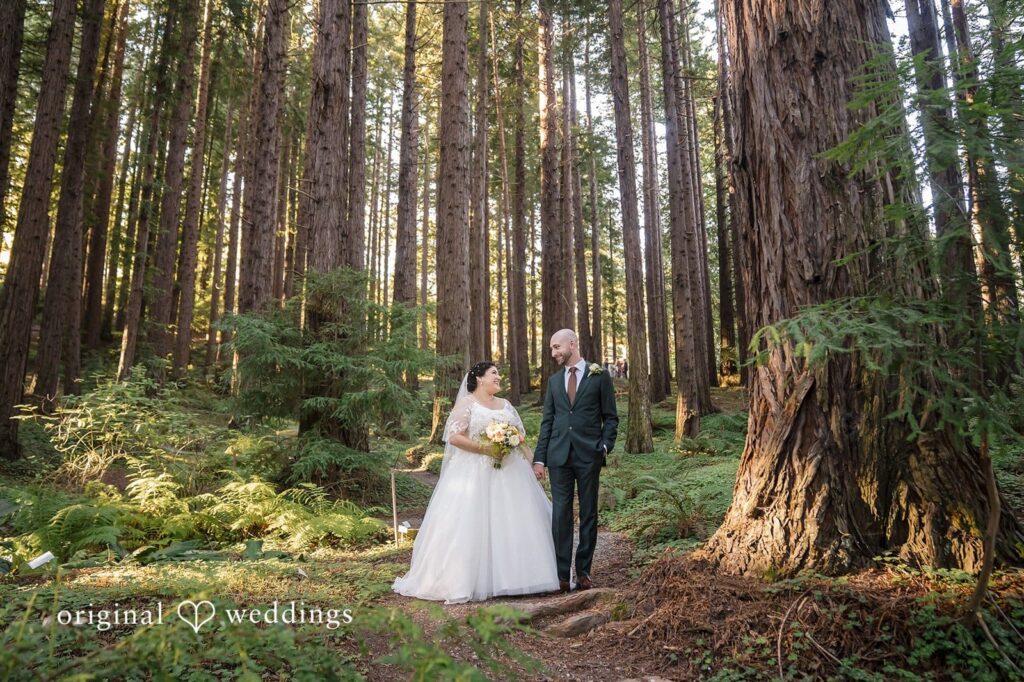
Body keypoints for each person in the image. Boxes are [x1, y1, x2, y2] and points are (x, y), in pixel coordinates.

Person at [393, 362, 560, 603]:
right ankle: (471, 579)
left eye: (499, 374)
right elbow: (454, 437)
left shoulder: (506, 406)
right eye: (494, 373)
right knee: (473, 523)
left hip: (511, 472)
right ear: (479, 378)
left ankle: (519, 578)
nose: (498, 377)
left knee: (515, 522)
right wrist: (485, 448)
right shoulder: (467, 404)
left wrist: (534, 462)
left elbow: (520, 439)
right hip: (474, 472)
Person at [532, 329, 619, 592]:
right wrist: (539, 459)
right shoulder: (554, 382)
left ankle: (583, 572)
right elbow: (548, 422)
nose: (553, 353)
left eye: (556, 347)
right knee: (560, 514)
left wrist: (604, 446)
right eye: (551, 348)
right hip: (558, 456)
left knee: (589, 513)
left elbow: (611, 417)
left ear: (572, 344)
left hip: (588, 455)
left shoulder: (599, 376)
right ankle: (561, 575)